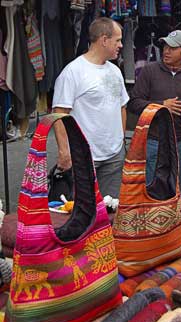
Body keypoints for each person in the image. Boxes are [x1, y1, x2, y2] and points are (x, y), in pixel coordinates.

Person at [52, 17, 129, 199]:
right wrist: (64, 152)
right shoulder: (73, 72)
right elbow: (59, 114)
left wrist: (121, 142)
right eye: (117, 40)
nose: (120, 45)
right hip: (84, 158)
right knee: (83, 213)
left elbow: (122, 107)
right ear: (104, 40)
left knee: (111, 210)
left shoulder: (115, 71)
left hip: (114, 156)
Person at [127, 30, 181, 188]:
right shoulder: (149, 71)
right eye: (165, 46)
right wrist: (161, 105)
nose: (166, 51)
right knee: (150, 187)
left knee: (174, 187)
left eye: (172, 48)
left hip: (180, 141)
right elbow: (133, 103)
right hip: (154, 139)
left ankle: (170, 213)